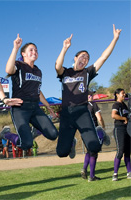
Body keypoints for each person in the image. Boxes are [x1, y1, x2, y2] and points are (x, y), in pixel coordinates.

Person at [55, 24, 121, 158]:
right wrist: (64, 48)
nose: (84, 59)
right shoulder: (65, 72)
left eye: (87, 59)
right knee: (61, 153)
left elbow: (103, 57)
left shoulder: (87, 73)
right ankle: (72, 142)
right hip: (67, 113)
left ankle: (99, 131)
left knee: (94, 147)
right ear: (75, 58)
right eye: (82, 56)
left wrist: (115, 38)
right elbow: (57, 66)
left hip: (82, 112)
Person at [0, 34, 58, 153]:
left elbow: (38, 90)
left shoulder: (38, 71)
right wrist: (15, 48)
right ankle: (7, 134)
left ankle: (33, 131)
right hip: (20, 108)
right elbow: (8, 70)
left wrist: (47, 106)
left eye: (36, 50)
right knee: (26, 144)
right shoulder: (19, 65)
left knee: (53, 134)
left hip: (34, 108)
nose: (34, 52)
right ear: (23, 53)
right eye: (31, 50)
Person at [81, 91, 111, 182]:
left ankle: (84, 168)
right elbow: (99, 118)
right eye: (91, 95)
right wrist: (103, 127)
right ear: (89, 96)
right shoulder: (93, 104)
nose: (92, 96)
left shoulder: (81, 106)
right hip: (93, 131)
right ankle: (92, 176)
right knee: (94, 153)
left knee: (89, 151)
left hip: (84, 131)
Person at [111, 88, 131, 181]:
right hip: (119, 129)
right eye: (122, 93)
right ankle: (115, 174)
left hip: (126, 129)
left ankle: (129, 172)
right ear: (117, 94)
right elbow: (113, 115)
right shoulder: (116, 104)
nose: (124, 95)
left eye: (124, 93)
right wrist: (124, 119)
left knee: (127, 151)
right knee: (120, 151)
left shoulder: (124, 105)